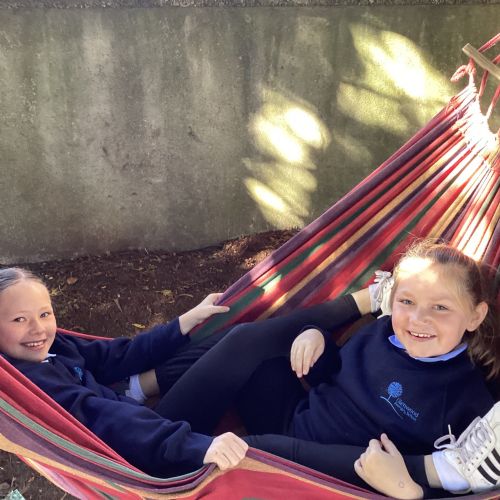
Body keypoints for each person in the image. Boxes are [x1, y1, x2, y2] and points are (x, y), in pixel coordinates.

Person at [139, 240, 499, 497]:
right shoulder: (380, 333)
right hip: (295, 423)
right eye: (406, 301)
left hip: (335, 477)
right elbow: (331, 375)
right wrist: (317, 340)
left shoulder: (468, 397)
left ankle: (161, 474)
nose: (418, 318)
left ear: (475, 316)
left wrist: (410, 488)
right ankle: (148, 441)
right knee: (246, 341)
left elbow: (461, 480)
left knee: (243, 452)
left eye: (440, 308)